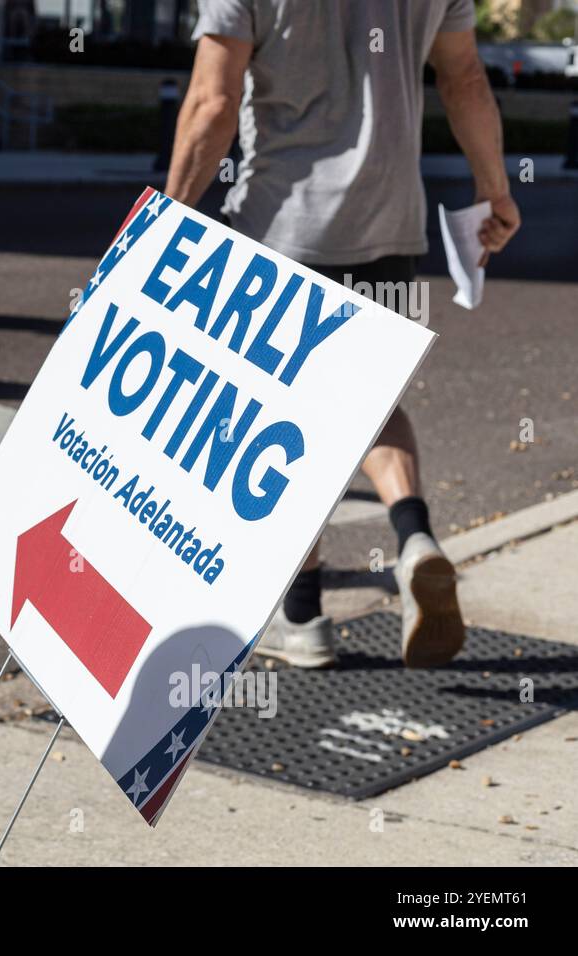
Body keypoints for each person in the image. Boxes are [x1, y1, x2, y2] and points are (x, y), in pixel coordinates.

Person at [166, 0, 520, 668]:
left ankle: (302, 618)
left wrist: (168, 223)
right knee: (368, 405)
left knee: (280, 422)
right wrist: (495, 191)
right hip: (388, 225)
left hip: (283, 230)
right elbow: (465, 77)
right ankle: (414, 539)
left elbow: (213, 102)